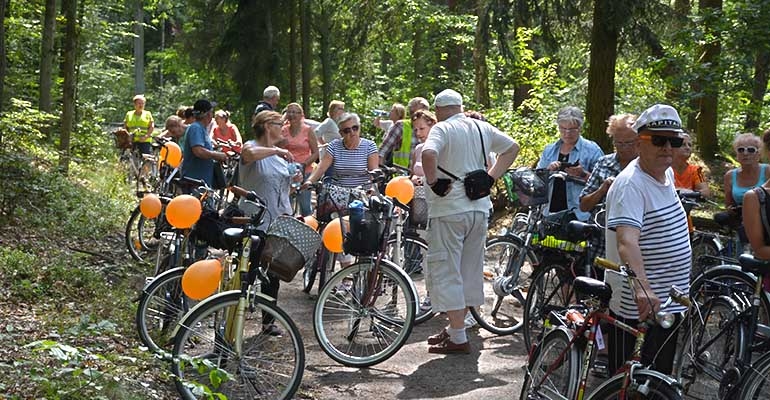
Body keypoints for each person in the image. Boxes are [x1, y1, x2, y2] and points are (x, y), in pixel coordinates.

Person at [421, 89, 519, 354]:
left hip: (449, 210)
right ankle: (456, 329)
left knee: (448, 270)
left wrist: (433, 182)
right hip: (479, 209)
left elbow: (428, 154)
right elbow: (512, 148)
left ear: (439, 109)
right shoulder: (481, 127)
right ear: (460, 106)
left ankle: (458, 338)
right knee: (469, 270)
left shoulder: (441, 128)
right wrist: (491, 177)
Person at [604, 104, 691, 375]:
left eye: (673, 140)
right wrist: (642, 288)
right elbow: (626, 241)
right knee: (627, 381)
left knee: (657, 377)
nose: (667, 147)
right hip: (639, 305)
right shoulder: (632, 183)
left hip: (668, 300)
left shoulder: (664, 172)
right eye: (658, 140)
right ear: (639, 143)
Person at [238, 110, 297, 336]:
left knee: (273, 275)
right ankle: (236, 318)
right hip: (255, 223)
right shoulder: (252, 146)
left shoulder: (279, 157)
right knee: (249, 273)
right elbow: (248, 154)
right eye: (279, 124)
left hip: (278, 223)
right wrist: (276, 150)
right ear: (266, 126)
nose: (284, 127)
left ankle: (268, 322)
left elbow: (281, 189)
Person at [578, 113, 638, 261]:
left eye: (629, 143)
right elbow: (584, 205)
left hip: (633, 244)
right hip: (599, 244)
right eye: (619, 143)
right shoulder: (604, 163)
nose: (624, 148)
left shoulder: (645, 167)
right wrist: (603, 189)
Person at [537, 106, 604, 221]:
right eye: (563, 128)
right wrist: (548, 171)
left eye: (572, 129)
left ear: (580, 128)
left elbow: (604, 184)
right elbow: (537, 181)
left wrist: (582, 174)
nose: (567, 133)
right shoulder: (549, 150)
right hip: (550, 213)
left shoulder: (592, 150)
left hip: (581, 214)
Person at [278, 102, 319, 216]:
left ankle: (308, 229)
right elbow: (277, 149)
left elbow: (316, 153)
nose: (291, 115)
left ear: (301, 115)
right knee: (286, 205)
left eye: (295, 112)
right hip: (287, 171)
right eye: (289, 112)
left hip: (304, 171)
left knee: (305, 206)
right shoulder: (283, 130)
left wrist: (304, 165)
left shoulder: (308, 130)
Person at [180, 99, 228, 187]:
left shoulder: (202, 129)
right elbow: (198, 151)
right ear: (208, 114)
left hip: (202, 181)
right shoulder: (196, 128)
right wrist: (217, 155)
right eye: (211, 112)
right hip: (194, 181)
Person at [379, 97, 430, 169]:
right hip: (401, 176)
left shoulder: (433, 128)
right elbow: (382, 151)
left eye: (423, 113)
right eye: (415, 113)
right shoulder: (401, 126)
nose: (418, 116)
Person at [724, 133, 768, 210]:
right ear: (736, 154)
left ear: (759, 153)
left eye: (751, 150)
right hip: (740, 217)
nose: (745, 153)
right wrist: (732, 209)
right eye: (741, 150)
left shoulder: (767, 171)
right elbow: (728, 204)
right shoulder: (730, 176)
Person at [673, 133, 710, 197]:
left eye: (689, 145)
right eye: (683, 145)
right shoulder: (664, 169)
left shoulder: (696, 170)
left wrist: (685, 192)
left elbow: (705, 192)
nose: (687, 148)